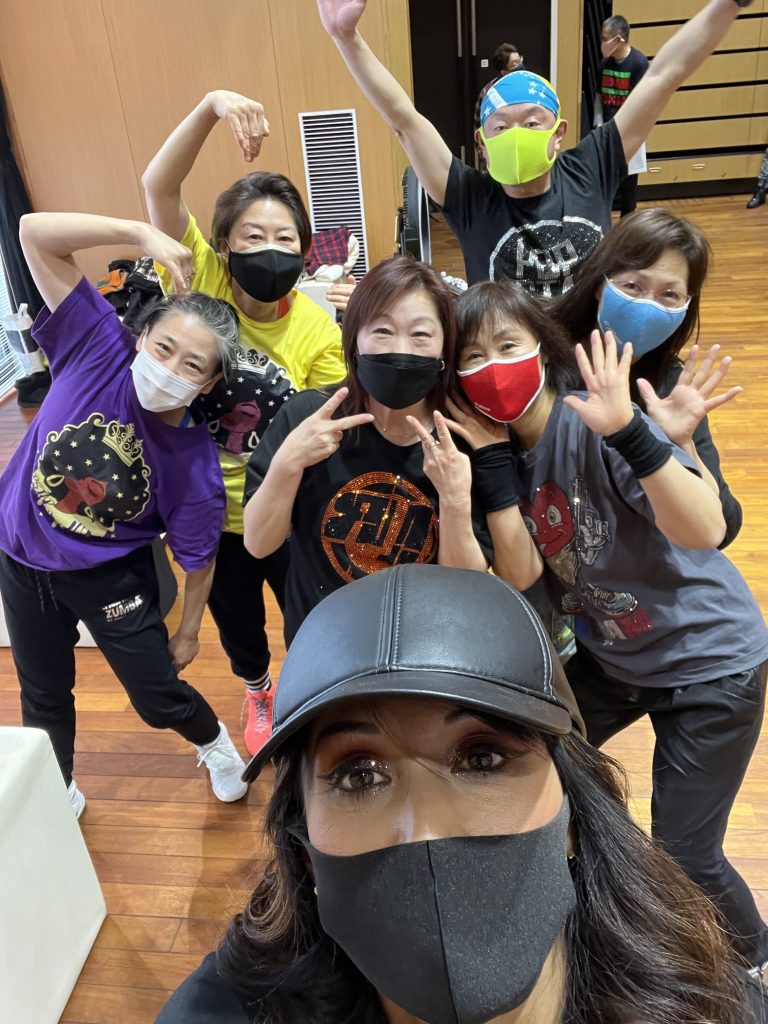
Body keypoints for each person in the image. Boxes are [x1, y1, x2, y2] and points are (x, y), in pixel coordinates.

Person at [155, 563, 764, 1024]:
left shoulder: (709, 1002)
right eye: (358, 775)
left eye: (482, 758)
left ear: (576, 814)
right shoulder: (229, 1007)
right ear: (303, 845)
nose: (426, 829)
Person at [449, 281, 768, 990]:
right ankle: (595, 907)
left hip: (710, 662)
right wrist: (492, 467)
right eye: (471, 357)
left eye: (507, 345)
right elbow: (520, 576)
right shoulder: (491, 459)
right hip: (616, 657)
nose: (491, 368)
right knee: (529, 751)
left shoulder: (593, 418)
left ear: (542, 348)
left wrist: (641, 434)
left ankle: (754, 961)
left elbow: (706, 525)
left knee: (688, 854)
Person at [0, 212, 250, 816]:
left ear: (208, 382)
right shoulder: (96, 345)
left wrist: (188, 631)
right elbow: (32, 233)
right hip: (19, 557)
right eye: (164, 347)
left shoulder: (194, 468)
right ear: (140, 338)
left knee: (157, 696)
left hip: (109, 578)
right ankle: (59, 788)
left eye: (192, 365)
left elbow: (198, 561)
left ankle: (214, 743)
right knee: (43, 692)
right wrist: (138, 233)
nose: (170, 368)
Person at [143, 91, 347, 755]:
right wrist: (209, 107)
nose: (270, 249)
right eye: (253, 237)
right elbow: (159, 185)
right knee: (238, 626)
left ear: (306, 250)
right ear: (224, 244)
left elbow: (326, 425)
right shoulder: (199, 281)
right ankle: (258, 692)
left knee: (306, 613)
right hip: (207, 514)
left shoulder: (318, 330)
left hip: (285, 509)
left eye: (285, 238)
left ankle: (311, 690)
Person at [318, 0, 756, 297]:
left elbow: (664, 75)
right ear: (482, 143)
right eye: (500, 127)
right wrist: (346, 37)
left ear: (558, 133)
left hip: (588, 366)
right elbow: (403, 118)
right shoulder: (468, 197)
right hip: (507, 373)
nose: (516, 134)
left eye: (531, 123)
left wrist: (729, 4)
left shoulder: (592, 166)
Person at [242, 255, 538, 646]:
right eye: (382, 330)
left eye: (421, 335)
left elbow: (464, 587)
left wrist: (453, 498)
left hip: (421, 643)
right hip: (323, 642)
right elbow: (258, 543)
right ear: (354, 337)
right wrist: (287, 463)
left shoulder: (462, 437)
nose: (401, 349)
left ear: (444, 349)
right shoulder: (309, 417)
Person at [552, 206, 742, 546]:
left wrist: (680, 445)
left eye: (669, 294)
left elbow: (723, 527)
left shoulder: (670, 384)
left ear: (687, 305)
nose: (647, 304)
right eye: (633, 286)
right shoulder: (544, 356)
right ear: (599, 285)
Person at [593, 15, 649, 217]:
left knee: (628, 189)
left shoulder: (639, 64)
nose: (602, 43)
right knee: (606, 185)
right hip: (607, 134)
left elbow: (640, 105)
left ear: (618, 39)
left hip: (630, 134)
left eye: (605, 38)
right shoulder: (604, 64)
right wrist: (599, 124)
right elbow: (599, 97)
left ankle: (626, 227)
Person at [474, 42, 525, 145]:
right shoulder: (489, 93)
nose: (520, 65)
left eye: (520, 60)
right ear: (504, 72)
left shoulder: (531, 85)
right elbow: (479, 128)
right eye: (515, 64)